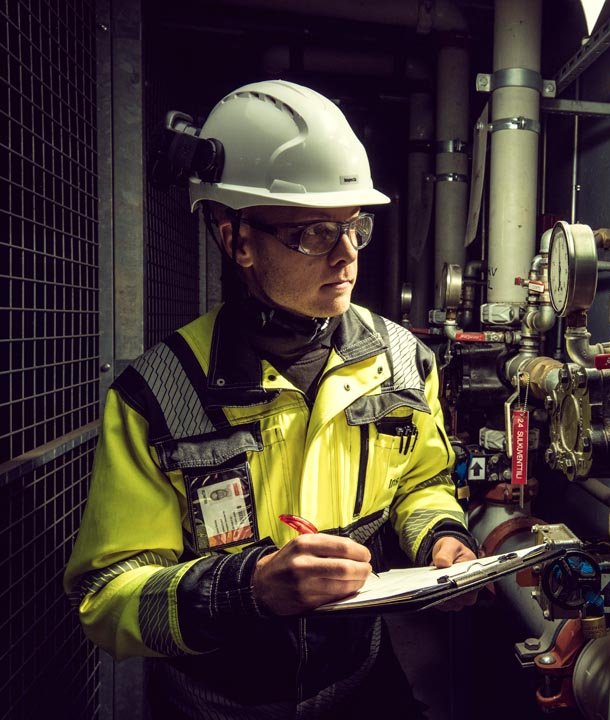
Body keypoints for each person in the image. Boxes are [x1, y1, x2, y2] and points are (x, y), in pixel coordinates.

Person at [64, 80, 477, 719]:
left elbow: (423, 484)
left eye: (354, 227)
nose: (347, 257)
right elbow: (109, 596)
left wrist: (440, 540)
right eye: (314, 233)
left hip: (361, 687)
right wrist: (249, 588)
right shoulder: (159, 396)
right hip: (214, 706)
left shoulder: (400, 360)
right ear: (238, 242)